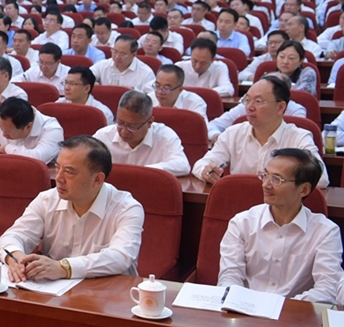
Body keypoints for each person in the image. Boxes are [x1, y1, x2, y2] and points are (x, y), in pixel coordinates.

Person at [0, 135, 144, 281]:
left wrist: (63, 268)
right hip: (54, 290)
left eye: (69, 172)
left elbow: (121, 256)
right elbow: (13, 236)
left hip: (108, 290)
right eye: (57, 168)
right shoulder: (47, 200)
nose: (58, 178)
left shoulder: (127, 208)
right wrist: (17, 259)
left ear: (97, 179)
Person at [219, 148, 342, 304]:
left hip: (294, 314)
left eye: (276, 179)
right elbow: (230, 276)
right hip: (243, 309)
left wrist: (282, 308)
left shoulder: (325, 232)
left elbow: (327, 288)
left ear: (304, 189)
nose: (265, 185)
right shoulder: (242, 223)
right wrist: (236, 302)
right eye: (265, 175)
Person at [193, 75, 329, 188]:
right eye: (247, 100)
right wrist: (206, 171)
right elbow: (200, 165)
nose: (249, 107)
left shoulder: (298, 138)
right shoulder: (233, 133)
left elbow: (321, 179)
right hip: (240, 205)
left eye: (258, 101)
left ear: (281, 107)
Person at [93, 90, 190, 176]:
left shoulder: (165, 137)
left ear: (149, 122)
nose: (124, 131)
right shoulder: (103, 136)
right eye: (120, 123)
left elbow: (183, 166)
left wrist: (144, 171)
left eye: (132, 126)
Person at [0, 97, 63, 163]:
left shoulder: (52, 129)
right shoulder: (4, 121)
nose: (3, 134)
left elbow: (37, 158)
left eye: (8, 132)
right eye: (1, 129)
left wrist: (7, 148)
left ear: (28, 127)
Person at [90, 34, 155, 91]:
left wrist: (134, 92)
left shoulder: (146, 73)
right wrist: (91, 83)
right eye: (115, 51)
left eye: (122, 54)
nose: (117, 57)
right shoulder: (103, 65)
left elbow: (151, 96)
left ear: (133, 55)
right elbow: (86, 76)